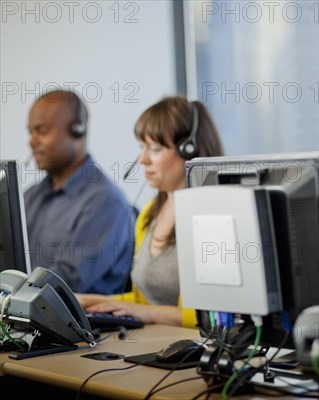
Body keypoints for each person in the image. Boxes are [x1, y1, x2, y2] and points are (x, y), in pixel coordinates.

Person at [77, 95, 225, 328]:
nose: (142, 159)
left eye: (154, 149)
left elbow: (212, 318)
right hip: (154, 345)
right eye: (141, 147)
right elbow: (140, 301)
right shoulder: (149, 214)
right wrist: (83, 300)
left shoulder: (213, 221)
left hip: (194, 350)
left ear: (190, 150)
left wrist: (143, 312)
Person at [25, 89, 135, 294]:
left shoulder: (105, 202)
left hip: (79, 324)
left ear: (77, 130)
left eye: (41, 131)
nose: (31, 141)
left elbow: (64, 283)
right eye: (30, 132)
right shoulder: (30, 196)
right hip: (23, 318)